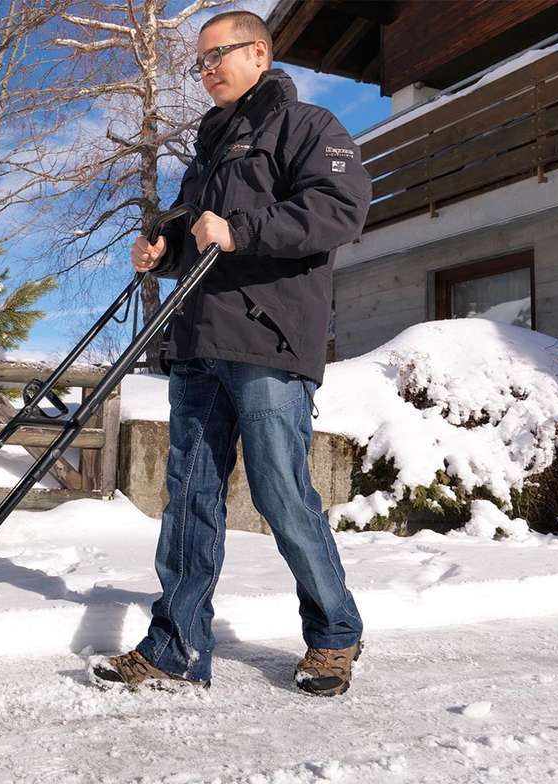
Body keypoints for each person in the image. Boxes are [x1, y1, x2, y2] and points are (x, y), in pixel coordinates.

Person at [92, 10, 370, 697]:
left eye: (216, 55)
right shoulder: (208, 152)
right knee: (188, 499)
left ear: (257, 53)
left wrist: (239, 229)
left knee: (281, 494)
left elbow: (339, 212)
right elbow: (200, 235)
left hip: (270, 344)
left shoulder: (309, 130)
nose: (206, 69)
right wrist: (162, 248)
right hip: (199, 341)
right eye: (199, 62)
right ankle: (175, 648)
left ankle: (334, 634)